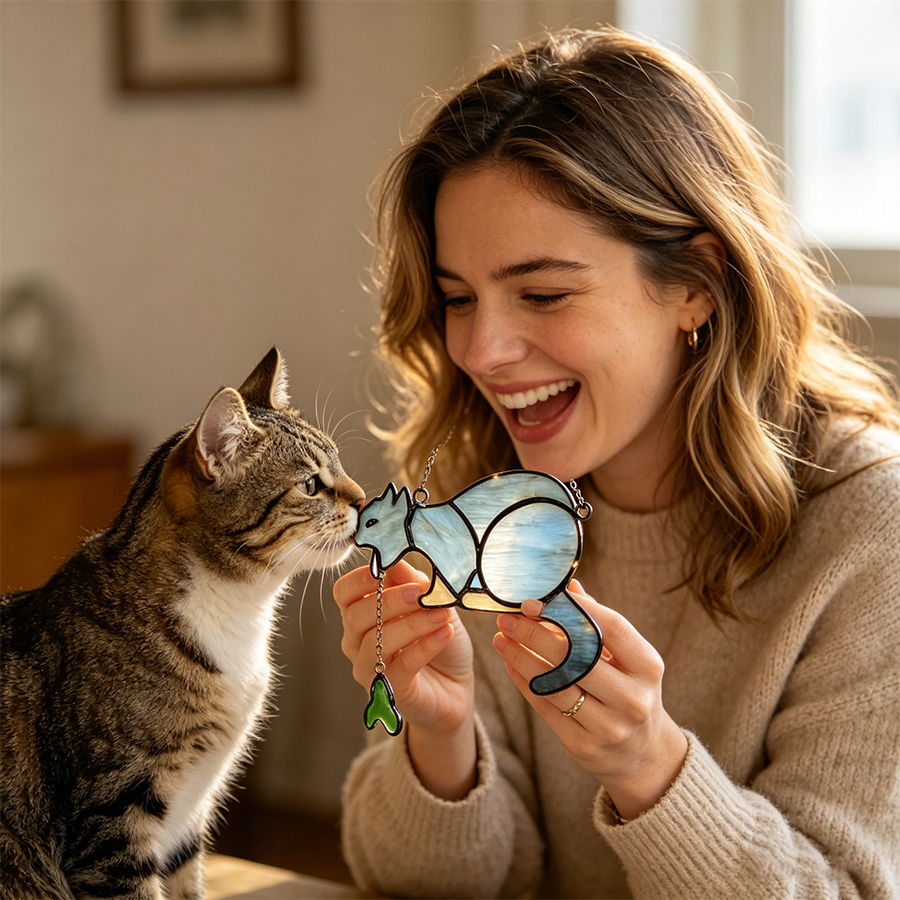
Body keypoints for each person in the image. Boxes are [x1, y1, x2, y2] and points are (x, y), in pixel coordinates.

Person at [332, 26, 900, 899]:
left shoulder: (874, 530)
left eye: (545, 293)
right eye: (457, 299)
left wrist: (650, 767)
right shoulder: (470, 503)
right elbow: (424, 883)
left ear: (696, 285)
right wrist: (439, 745)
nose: (482, 349)